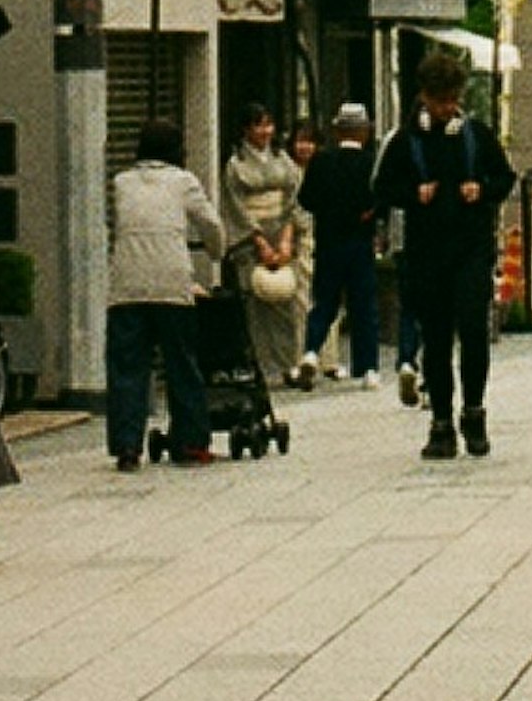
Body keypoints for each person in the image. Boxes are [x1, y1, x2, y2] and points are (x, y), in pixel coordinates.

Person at [375, 55, 511, 462]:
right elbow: (382, 187)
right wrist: (412, 194)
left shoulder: (476, 136)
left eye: (452, 101)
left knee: (473, 329)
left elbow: (505, 177)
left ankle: (474, 410)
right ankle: (440, 422)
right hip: (426, 253)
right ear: (424, 97)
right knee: (434, 338)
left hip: (471, 250)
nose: (446, 109)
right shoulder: (405, 140)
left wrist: (482, 190)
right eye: (439, 102)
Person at [104, 124, 223, 466]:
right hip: (172, 285)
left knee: (128, 369)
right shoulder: (184, 181)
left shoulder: (122, 182)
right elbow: (211, 226)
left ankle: (127, 447)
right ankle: (189, 443)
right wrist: (217, 254)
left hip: (127, 286)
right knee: (181, 364)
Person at [217, 105, 306, 393]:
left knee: (286, 301)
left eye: (269, 125)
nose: (265, 132)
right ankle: (261, 367)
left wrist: (286, 238)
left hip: (282, 232)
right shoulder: (235, 164)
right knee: (256, 302)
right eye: (258, 126)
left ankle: (289, 364)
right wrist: (258, 241)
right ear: (245, 130)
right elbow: (236, 208)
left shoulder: (282, 159)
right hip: (252, 238)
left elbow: (294, 198)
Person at [298, 103, 380, 383]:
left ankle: (310, 351)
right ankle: (367, 368)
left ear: (336, 131)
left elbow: (305, 199)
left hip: (328, 240)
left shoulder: (321, 161)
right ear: (365, 132)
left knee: (324, 302)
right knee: (364, 306)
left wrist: (327, 210)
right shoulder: (370, 163)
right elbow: (380, 200)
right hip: (360, 242)